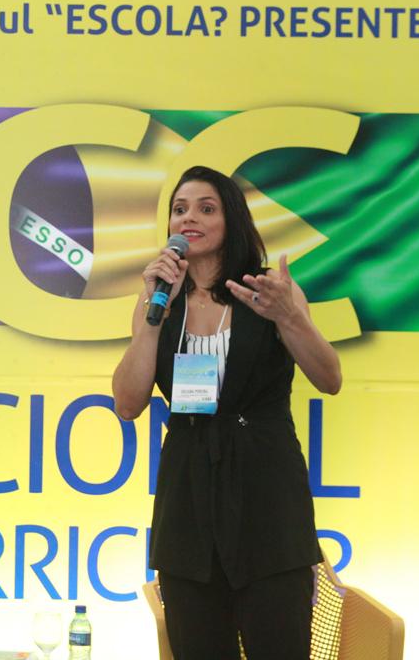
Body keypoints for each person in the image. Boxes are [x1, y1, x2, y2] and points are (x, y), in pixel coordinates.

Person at [112, 166, 342, 659]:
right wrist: (152, 322)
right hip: (189, 507)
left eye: (206, 208)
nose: (189, 218)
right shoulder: (157, 301)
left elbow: (330, 378)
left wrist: (289, 318)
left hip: (268, 501)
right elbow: (127, 404)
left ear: (231, 219)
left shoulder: (271, 291)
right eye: (180, 209)